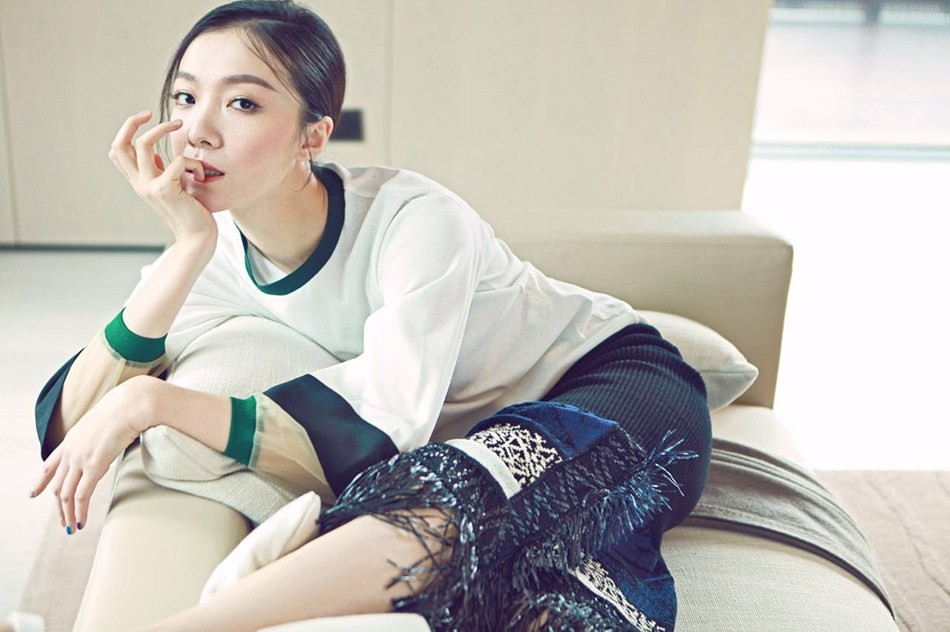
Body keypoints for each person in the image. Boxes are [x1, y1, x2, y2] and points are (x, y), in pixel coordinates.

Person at [31, 1, 711, 630]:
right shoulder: (216, 251)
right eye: (184, 97)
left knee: (451, 498)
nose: (197, 133)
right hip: (474, 433)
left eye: (242, 102)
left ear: (313, 136)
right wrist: (186, 248)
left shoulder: (416, 221)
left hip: (611, 385)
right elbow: (71, 425)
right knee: (481, 542)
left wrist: (152, 401)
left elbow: (386, 426)